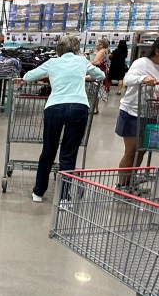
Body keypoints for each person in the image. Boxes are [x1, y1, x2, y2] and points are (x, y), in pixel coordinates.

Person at [16, 35, 104, 203]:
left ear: (59, 49)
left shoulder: (52, 63)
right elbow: (100, 75)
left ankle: (38, 192)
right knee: (68, 154)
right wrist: (84, 77)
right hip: (78, 107)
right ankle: (64, 197)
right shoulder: (82, 61)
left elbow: (28, 76)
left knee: (48, 151)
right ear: (76, 49)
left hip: (54, 107)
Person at [115, 34, 159, 186]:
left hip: (151, 114)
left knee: (141, 150)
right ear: (158, 51)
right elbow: (128, 79)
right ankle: (122, 185)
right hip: (132, 113)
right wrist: (142, 79)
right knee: (131, 151)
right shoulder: (141, 63)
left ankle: (130, 181)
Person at [90, 38, 109, 113]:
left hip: (98, 72)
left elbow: (96, 62)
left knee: (95, 91)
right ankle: (95, 108)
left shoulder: (101, 51)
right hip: (103, 71)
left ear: (101, 45)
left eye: (97, 43)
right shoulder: (104, 51)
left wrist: (87, 62)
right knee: (96, 91)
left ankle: (94, 108)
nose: (96, 44)